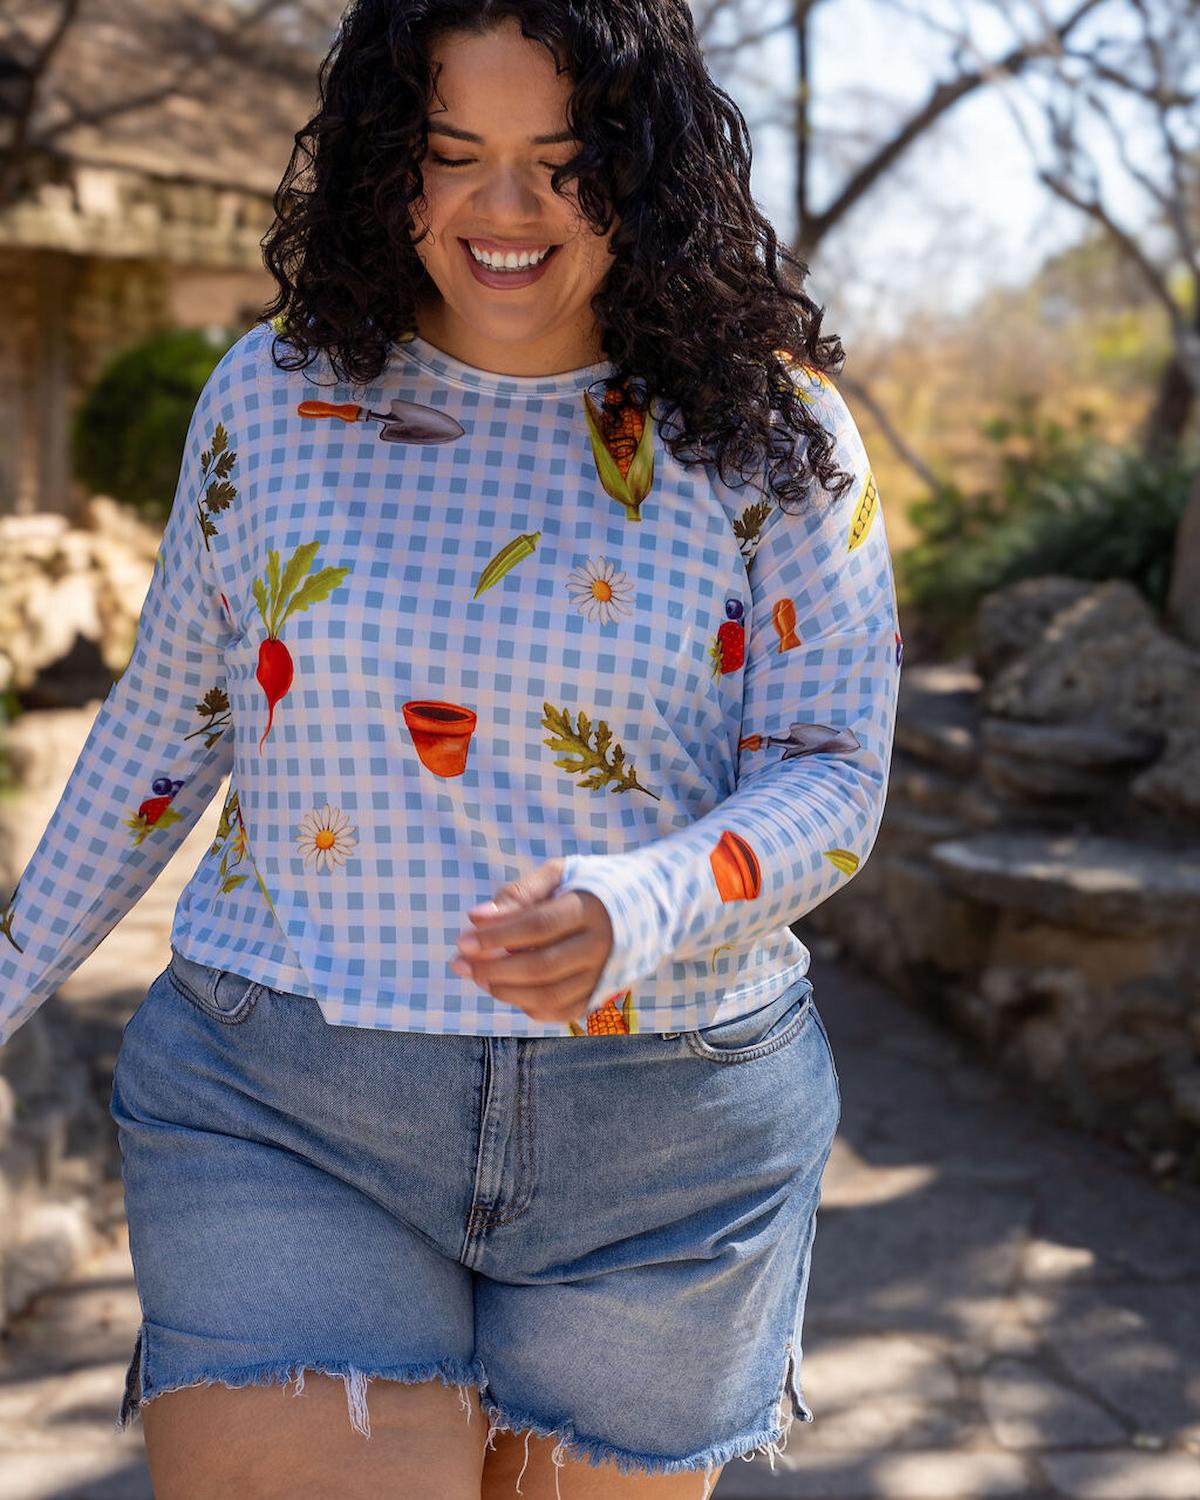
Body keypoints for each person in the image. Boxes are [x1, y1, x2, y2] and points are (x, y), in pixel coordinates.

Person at [0, 1, 901, 1496]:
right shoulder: (274, 396)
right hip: (282, 1104)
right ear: (386, 165)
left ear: (646, 165)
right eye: (454, 154)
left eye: (563, 161)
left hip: (664, 1149)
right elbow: (165, 728)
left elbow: (832, 768)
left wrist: (643, 898)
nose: (506, 211)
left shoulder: (776, 432)